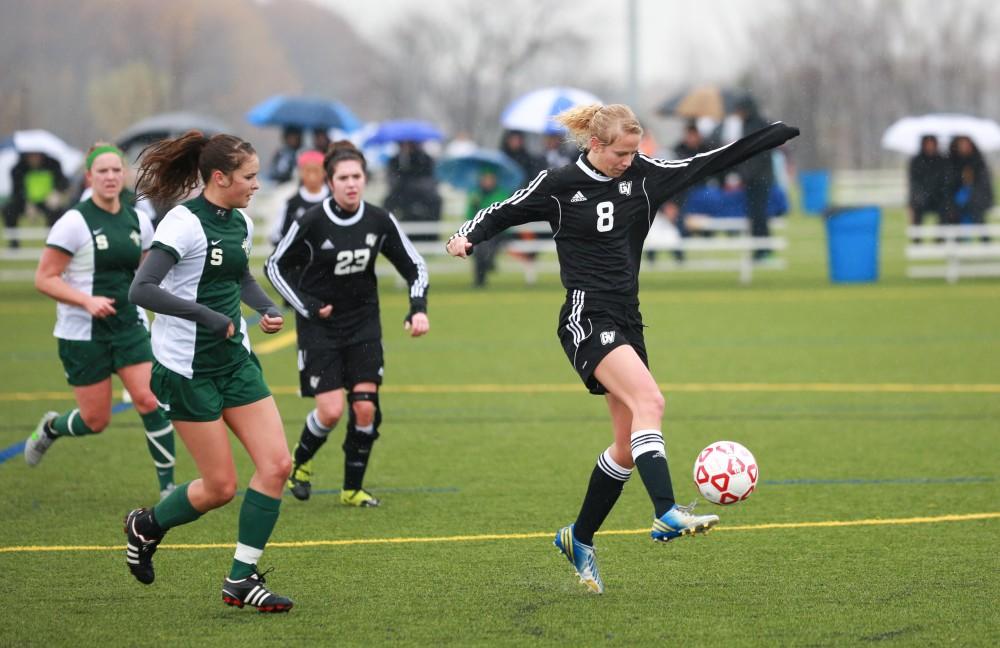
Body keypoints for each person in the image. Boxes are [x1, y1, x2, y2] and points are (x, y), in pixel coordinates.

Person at [447, 104, 797, 594]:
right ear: (595, 145)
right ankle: (665, 512)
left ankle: (579, 537)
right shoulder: (560, 184)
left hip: (628, 320)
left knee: (627, 444)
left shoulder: (646, 175)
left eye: (634, 152)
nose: (628, 161)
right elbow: (505, 209)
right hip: (586, 317)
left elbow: (708, 161)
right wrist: (468, 235)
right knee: (651, 403)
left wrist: (770, 136)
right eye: (620, 153)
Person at [123, 131, 294, 612]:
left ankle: (241, 578)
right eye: (249, 176)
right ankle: (147, 525)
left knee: (277, 465)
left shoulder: (237, 221)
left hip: (234, 361)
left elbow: (237, 273)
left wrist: (261, 308)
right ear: (219, 178)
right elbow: (143, 289)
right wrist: (207, 317)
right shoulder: (182, 224)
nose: (256, 184)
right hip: (187, 370)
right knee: (219, 488)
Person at [265, 141, 429, 507]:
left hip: (363, 324)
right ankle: (300, 463)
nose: (351, 184)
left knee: (365, 407)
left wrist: (417, 308)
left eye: (357, 176)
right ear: (330, 181)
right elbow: (274, 266)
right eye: (343, 178)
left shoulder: (378, 219)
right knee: (330, 411)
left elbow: (414, 265)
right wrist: (307, 305)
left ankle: (352, 488)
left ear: (365, 179)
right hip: (320, 327)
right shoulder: (311, 220)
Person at [25, 143, 176, 499]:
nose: (110, 177)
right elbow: (44, 278)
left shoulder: (138, 218)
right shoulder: (73, 223)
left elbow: (147, 270)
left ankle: (168, 487)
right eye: (102, 171)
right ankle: (51, 427)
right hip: (82, 332)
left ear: (124, 175)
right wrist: (86, 300)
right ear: (89, 177)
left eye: (116, 170)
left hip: (129, 325)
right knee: (96, 420)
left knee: (149, 399)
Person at [4, 151, 69, 248]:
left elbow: (64, 182)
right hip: (26, 202)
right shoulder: (17, 168)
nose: (34, 158)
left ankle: (53, 241)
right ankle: (13, 241)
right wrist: (26, 202)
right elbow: (16, 191)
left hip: (48, 201)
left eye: (36, 155)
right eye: (31, 155)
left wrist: (56, 192)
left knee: (59, 212)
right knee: (8, 209)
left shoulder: (53, 164)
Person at [268, 150, 330, 246]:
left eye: (316, 170)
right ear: (300, 172)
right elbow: (276, 235)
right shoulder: (290, 202)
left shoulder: (334, 200)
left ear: (324, 172)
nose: (312, 176)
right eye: (308, 171)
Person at [384, 140, 442, 242]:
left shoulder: (425, 158)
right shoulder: (395, 160)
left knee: (436, 201)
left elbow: (432, 178)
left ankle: (432, 235)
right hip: (401, 194)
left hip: (423, 194)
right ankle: (388, 234)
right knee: (387, 203)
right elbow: (392, 180)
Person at [465, 170, 509, 287]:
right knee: (477, 248)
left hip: (498, 231)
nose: (487, 182)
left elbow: (504, 215)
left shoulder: (502, 194)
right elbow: (469, 216)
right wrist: (475, 206)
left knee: (484, 247)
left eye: (490, 179)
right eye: (485, 179)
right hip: (481, 230)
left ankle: (485, 268)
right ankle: (482, 274)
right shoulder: (475, 195)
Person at [947, 135, 994, 238]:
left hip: (976, 199)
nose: (964, 147)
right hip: (957, 200)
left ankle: (984, 243)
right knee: (953, 212)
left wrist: (971, 185)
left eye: (966, 144)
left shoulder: (978, 161)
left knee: (977, 214)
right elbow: (949, 183)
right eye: (961, 144)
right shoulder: (952, 161)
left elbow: (984, 184)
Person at [907, 135, 949, 242]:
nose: (930, 146)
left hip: (938, 197)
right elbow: (914, 184)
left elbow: (945, 182)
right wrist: (917, 198)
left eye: (932, 143)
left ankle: (940, 239)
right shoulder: (916, 161)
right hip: (921, 197)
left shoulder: (942, 161)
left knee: (946, 208)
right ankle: (917, 239)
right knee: (916, 208)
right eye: (927, 143)